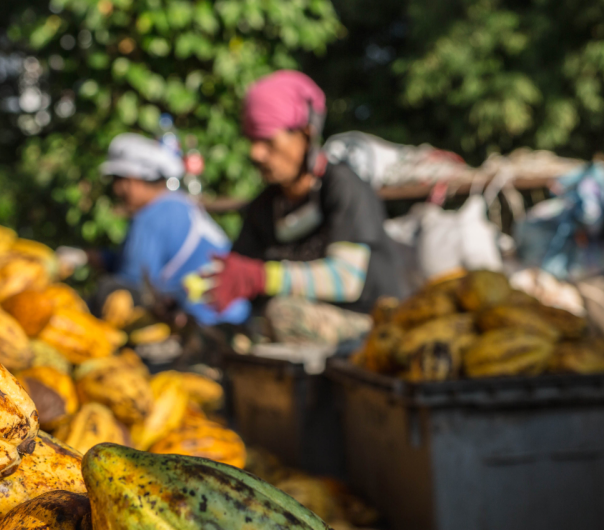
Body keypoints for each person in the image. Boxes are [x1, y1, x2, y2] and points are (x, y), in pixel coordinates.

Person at [204, 70, 415, 346]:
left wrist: (262, 276)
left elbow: (345, 279)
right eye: (252, 141)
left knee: (281, 314)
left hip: (372, 326)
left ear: (306, 134)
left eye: (268, 141)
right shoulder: (264, 207)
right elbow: (239, 272)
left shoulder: (344, 186)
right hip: (298, 331)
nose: (256, 153)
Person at [96, 133, 250, 326]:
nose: (116, 190)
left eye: (118, 181)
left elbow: (131, 281)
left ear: (133, 179)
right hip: (238, 316)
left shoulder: (152, 216)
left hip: (206, 323)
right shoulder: (177, 203)